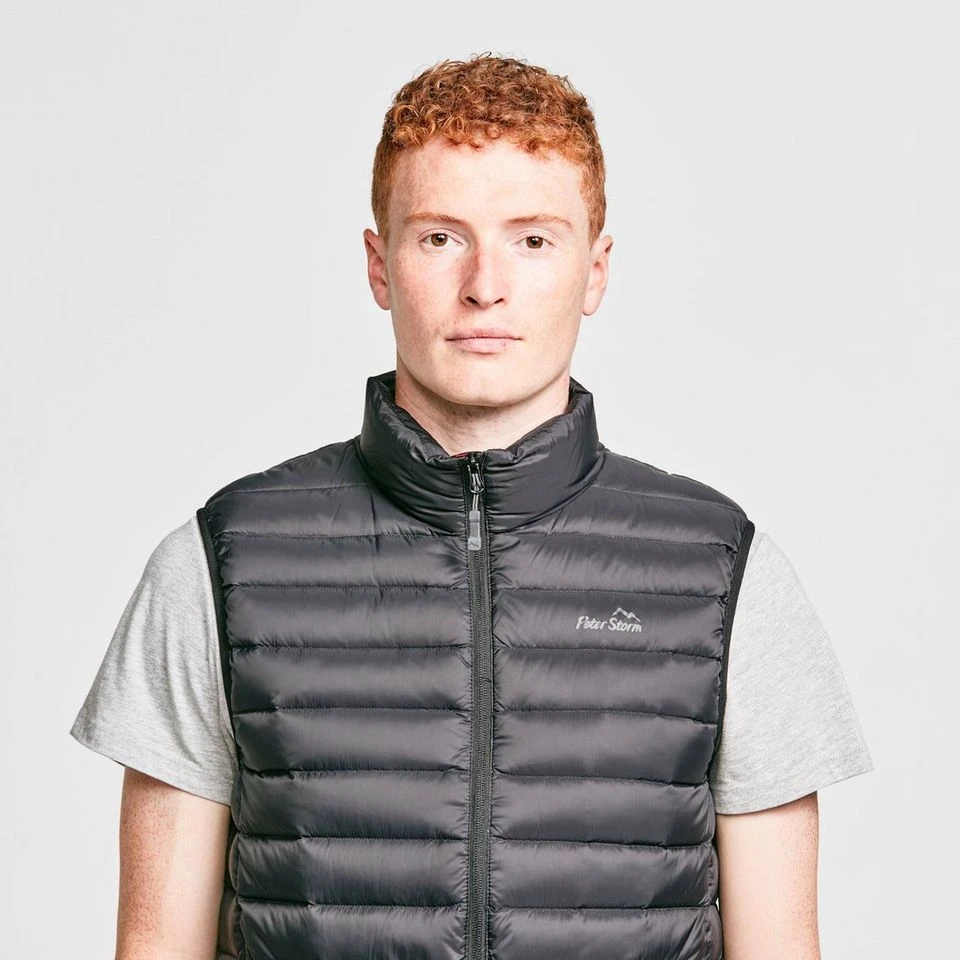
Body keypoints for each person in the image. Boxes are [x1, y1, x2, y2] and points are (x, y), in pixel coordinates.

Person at [70, 54, 873, 960]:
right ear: (379, 265)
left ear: (596, 270)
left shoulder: (723, 573)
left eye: (533, 240)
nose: (485, 284)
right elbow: (155, 946)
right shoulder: (223, 564)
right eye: (440, 238)